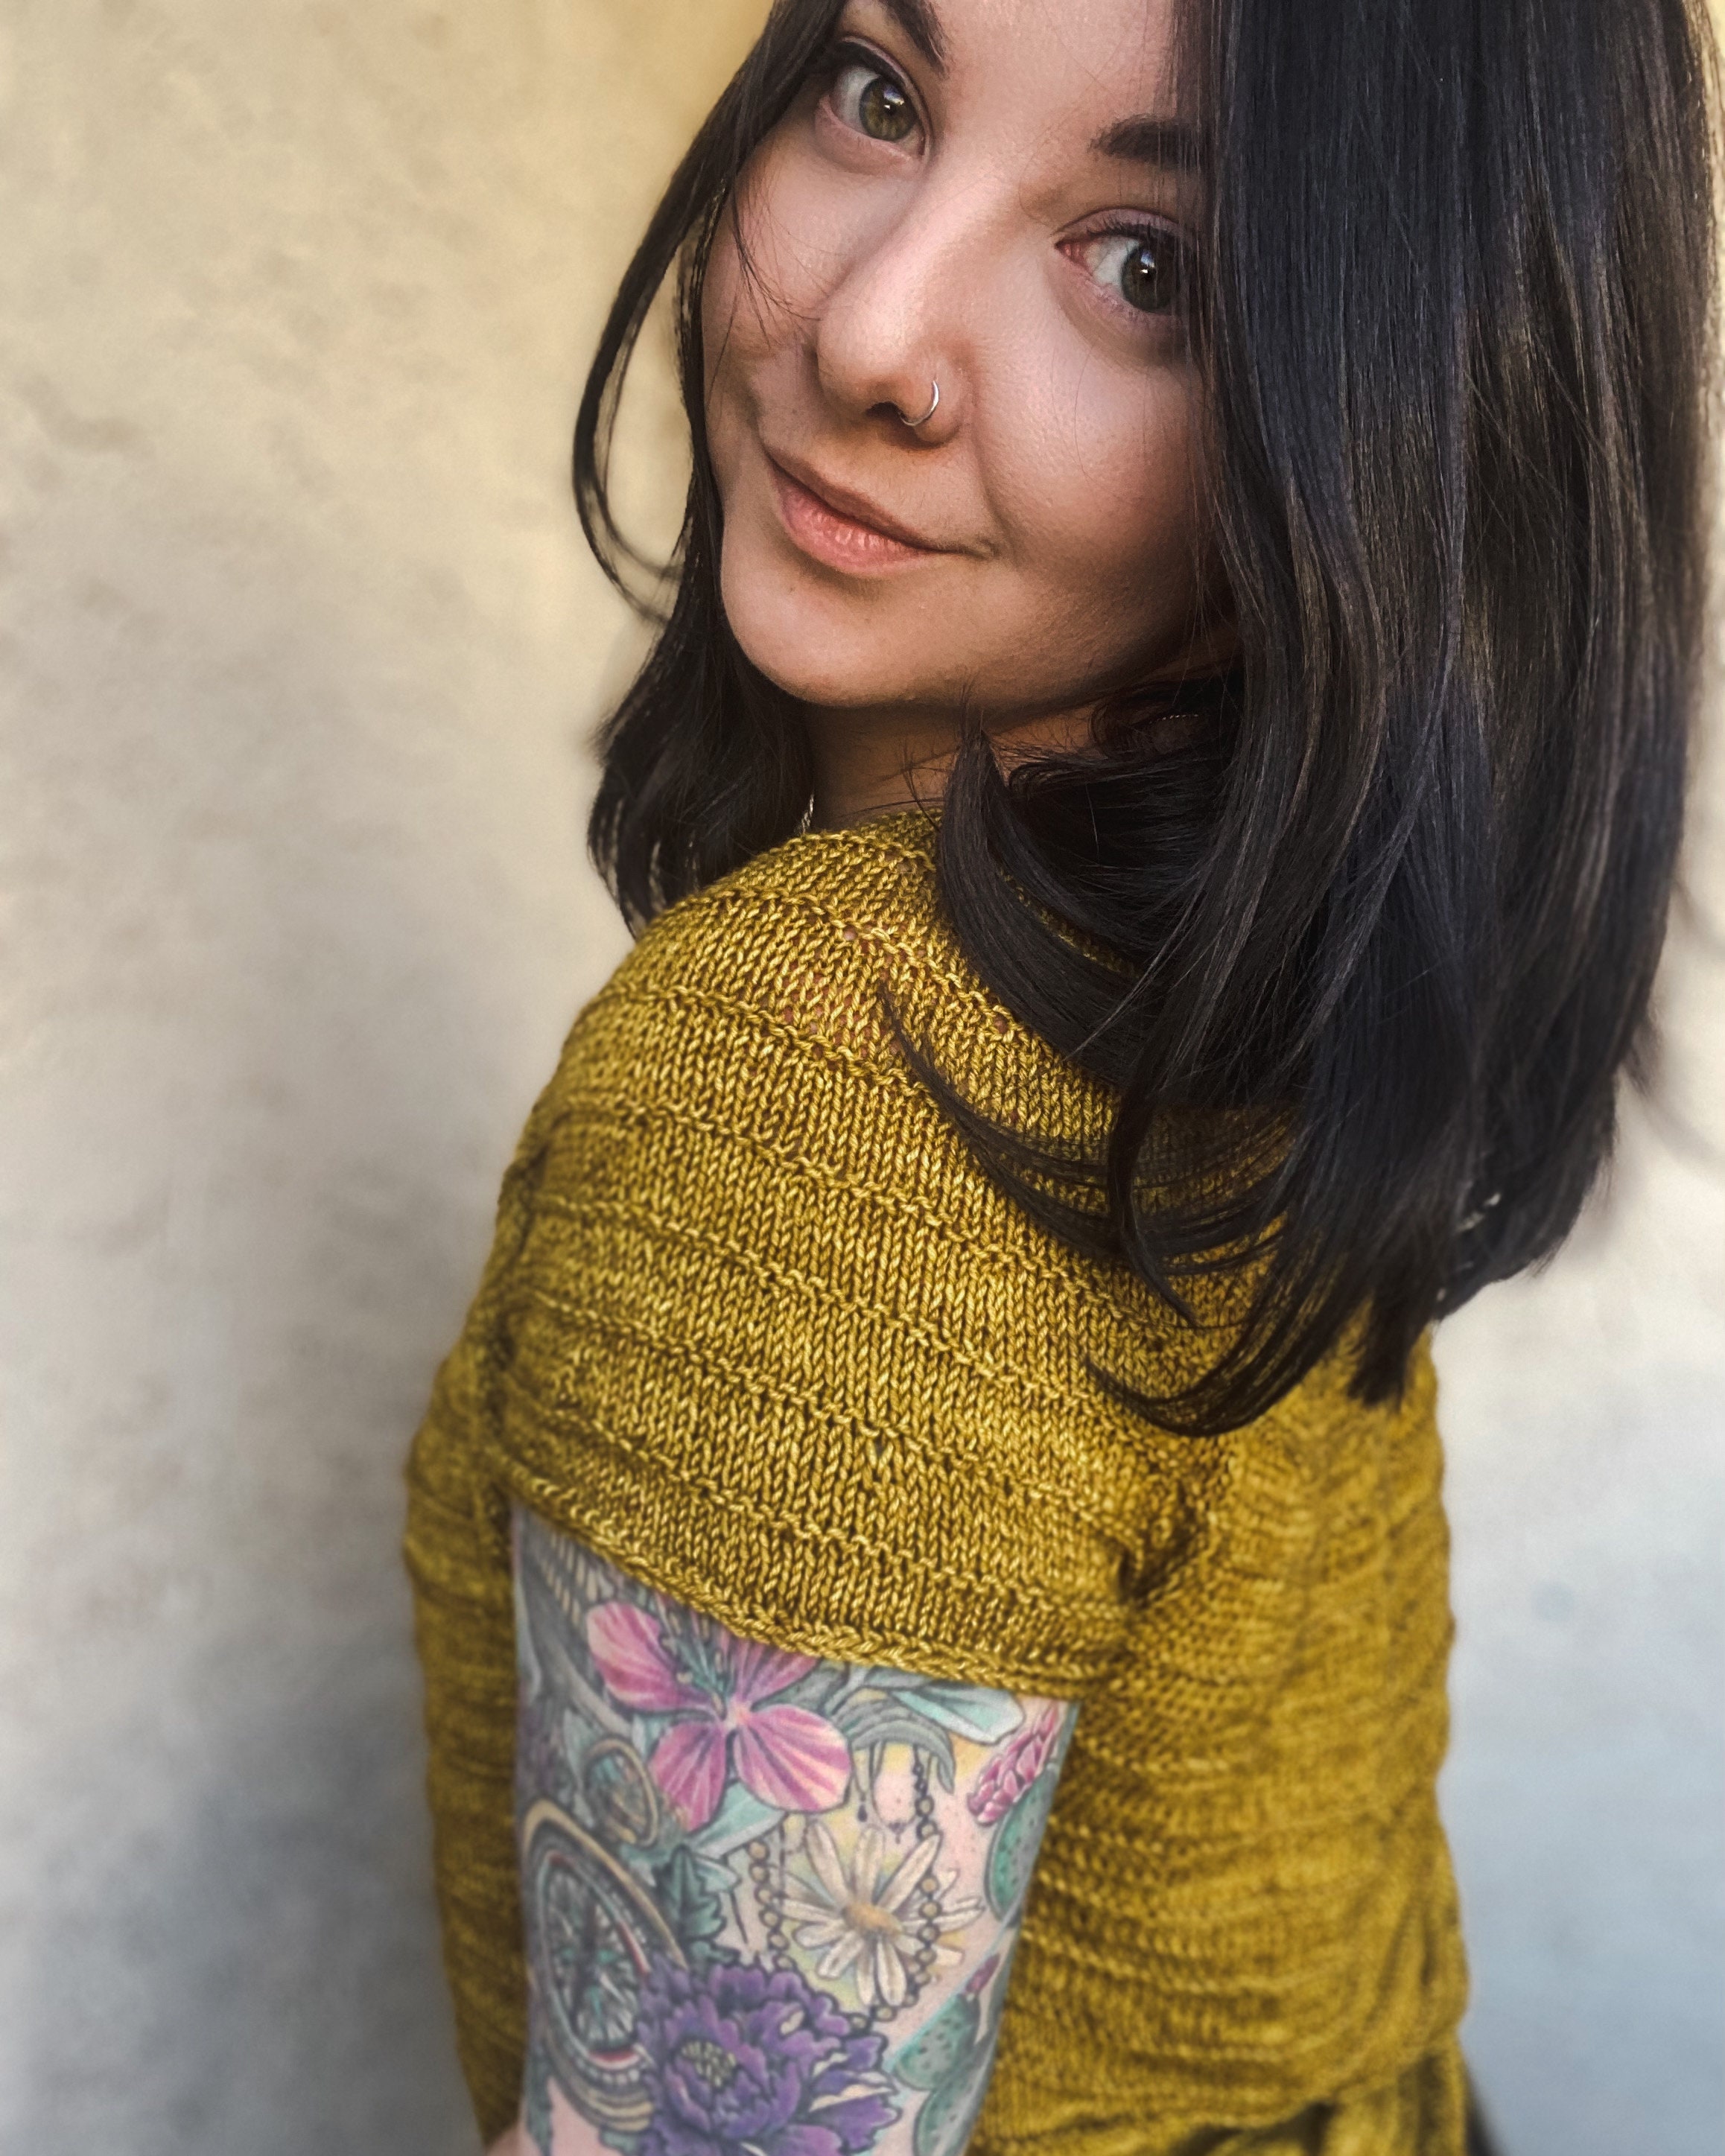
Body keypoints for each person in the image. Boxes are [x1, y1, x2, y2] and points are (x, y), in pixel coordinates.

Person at [404, 0, 1715, 2150]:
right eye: (877, 96)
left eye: (1148, 269)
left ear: (1393, 436)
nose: (871, 334)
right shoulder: (1195, 1008)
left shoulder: (827, 1095)